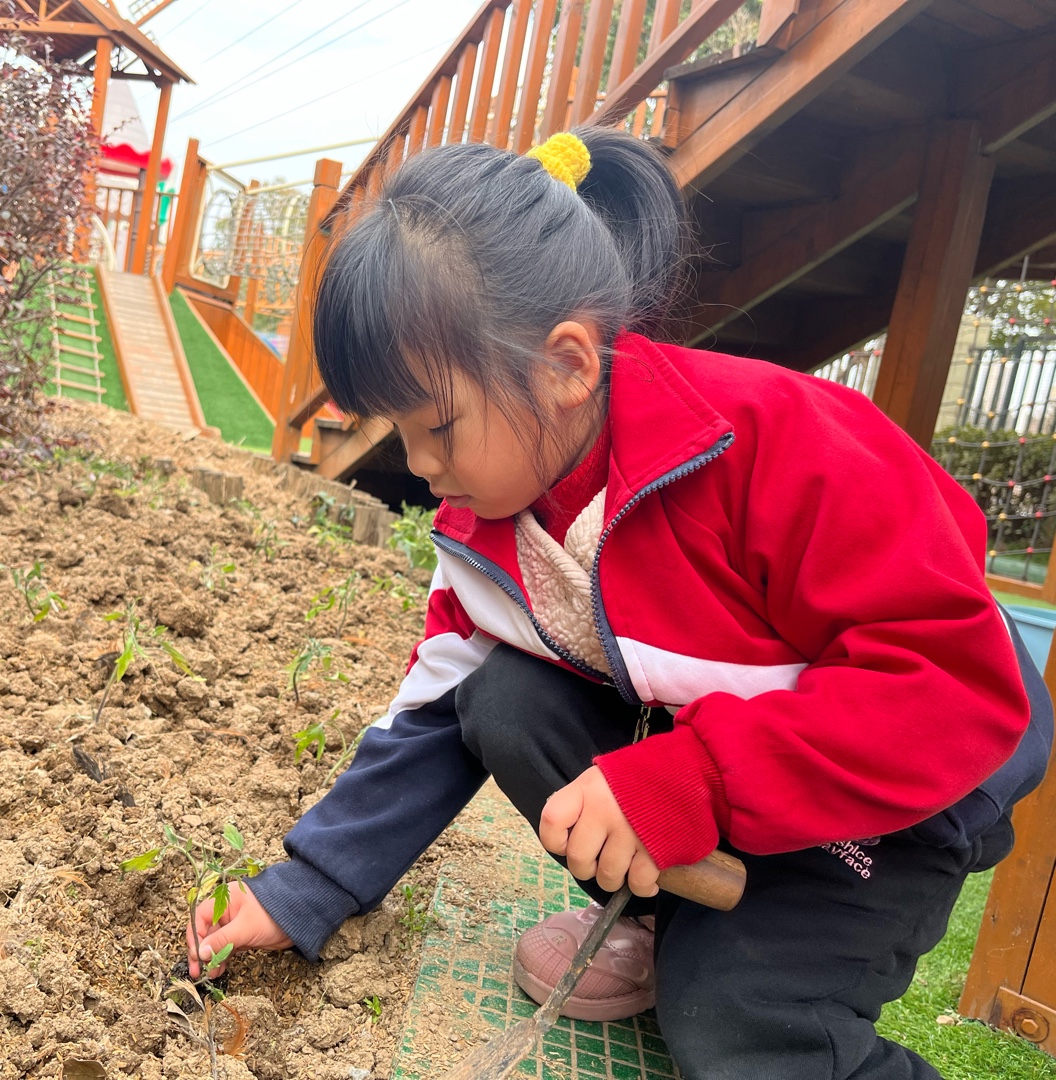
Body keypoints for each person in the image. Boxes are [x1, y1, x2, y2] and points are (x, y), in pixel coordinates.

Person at [181, 126, 1053, 1078]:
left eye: (439, 426)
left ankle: (747, 960)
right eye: (400, 429)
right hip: (736, 756)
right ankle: (671, 921)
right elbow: (431, 713)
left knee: (739, 1025)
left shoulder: (776, 444)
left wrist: (692, 781)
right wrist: (305, 888)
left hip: (900, 787)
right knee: (500, 698)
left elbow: (954, 688)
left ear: (565, 367)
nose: (421, 465)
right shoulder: (487, 527)